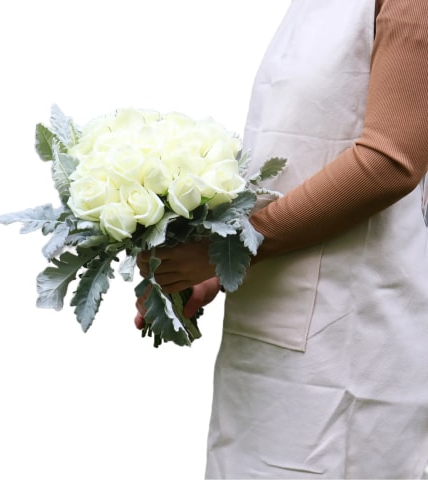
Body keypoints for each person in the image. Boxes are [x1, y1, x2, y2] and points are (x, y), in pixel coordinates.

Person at [136, 0, 428, 478]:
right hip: (265, 333)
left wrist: (233, 248)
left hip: (355, 336)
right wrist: (215, 271)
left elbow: (390, 161)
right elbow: (298, 152)